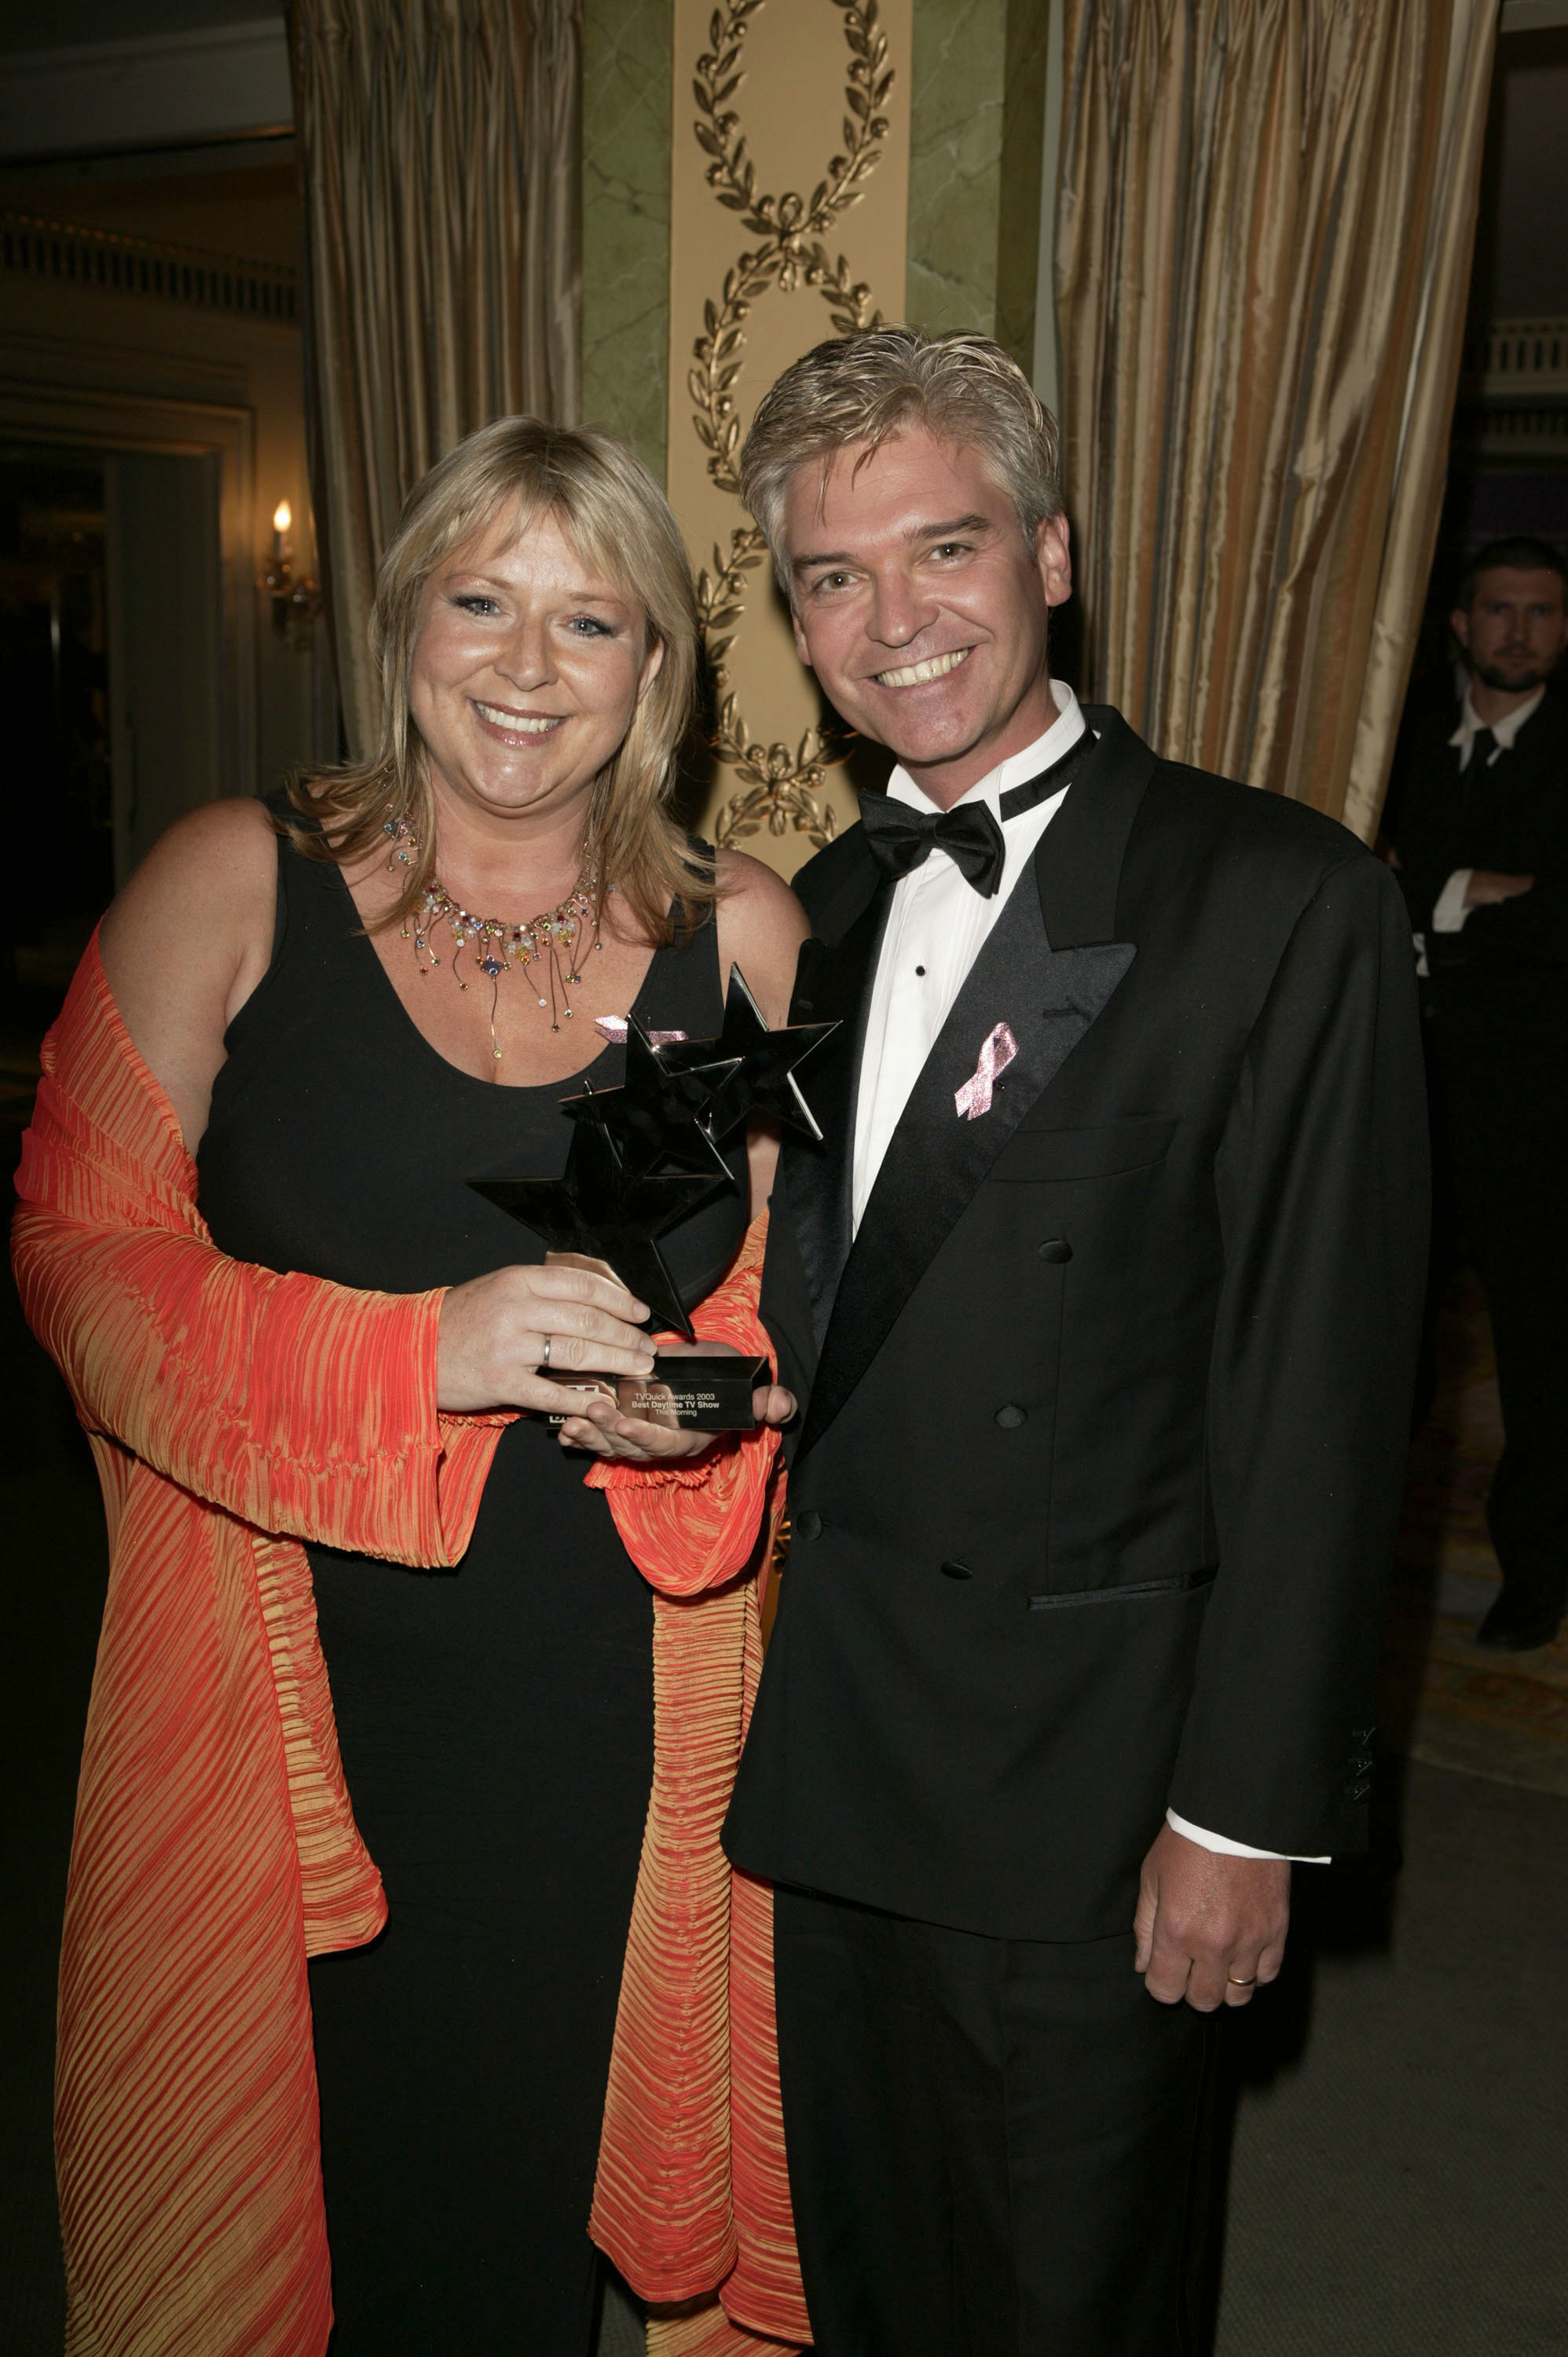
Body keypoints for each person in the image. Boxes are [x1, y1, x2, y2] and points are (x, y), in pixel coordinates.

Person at [13, 419, 814, 2356]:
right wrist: (412, 1353)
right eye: (482, 600)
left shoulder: (753, 931)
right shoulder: (233, 883)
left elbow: (791, 1320)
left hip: (606, 1697)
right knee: (315, 2202)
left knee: (518, 2206)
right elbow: (75, 1255)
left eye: (589, 619)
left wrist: (694, 1404)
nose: (527, 666)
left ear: (656, 674)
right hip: (281, 1683)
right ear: (403, 621)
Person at [720, 328, 1429, 2356]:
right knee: (878, 2290)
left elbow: (1319, 1397)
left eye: (941, 549)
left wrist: (1241, 1811)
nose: (893, 621)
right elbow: (854, 1305)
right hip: (848, 1752)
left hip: (1094, 1791)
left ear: (1049, 550)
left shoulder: (1276, 899)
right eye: (832, 580)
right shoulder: (829, 910)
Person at [1390, 536, 1568, 1652]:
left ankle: (1536, 1570)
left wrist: (1430, 891)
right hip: (1400, 1095)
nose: (1519, 631)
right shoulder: (1396, 743)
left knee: (1543, 1353)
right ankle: (1355, 1555)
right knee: (1385, 1339)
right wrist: (1493, 898)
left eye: (1543, 613)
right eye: (1498, 610)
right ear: (1459, 624)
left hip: (1538, 1113)